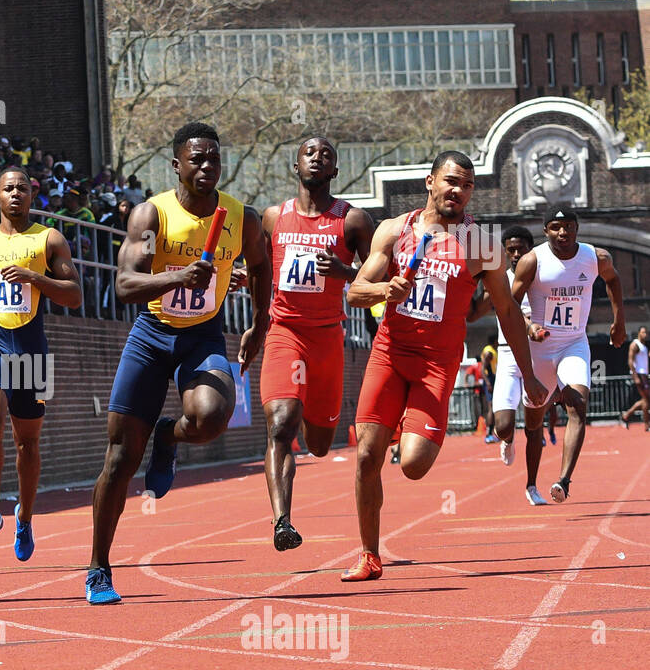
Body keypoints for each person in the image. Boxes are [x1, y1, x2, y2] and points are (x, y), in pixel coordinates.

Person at [86, 122, 270, 604]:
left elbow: (262, 264)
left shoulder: (240, 218)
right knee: (121, 459)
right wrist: (178, 277)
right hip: (151, 334)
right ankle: (99, 567)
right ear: (177, 166)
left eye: (214, 159)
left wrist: (259, 322)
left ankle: (168, 435)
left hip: (202, 334)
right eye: (197, 160)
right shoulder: (152, 215)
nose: (207, 167)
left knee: (211, 418)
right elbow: (125, 285)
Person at [341, 152, 547, 581]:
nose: (458, 191)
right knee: (365, 457)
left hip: (436, 365)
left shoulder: (481, 243)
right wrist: (385, 289)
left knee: (413, 465)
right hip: (389, 355)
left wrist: (528, 374)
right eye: (451, 181)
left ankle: (407, 429)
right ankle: (368, 555)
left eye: (467, 185)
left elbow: (507, 312)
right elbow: (354, 293)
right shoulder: (395, 230)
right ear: (430, 181)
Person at [259, 137, 374, 550]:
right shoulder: (273, 217)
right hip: (285, 332)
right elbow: (257, 269)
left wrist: (345, 270)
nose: (317, 158)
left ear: (335, 171)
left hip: (327, 337)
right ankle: (282, 522)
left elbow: (377, 276)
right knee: (280, 423)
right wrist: (253, 314)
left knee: (321, 445)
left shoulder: (353, 220)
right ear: (296, 165)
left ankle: (312, 415)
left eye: (326, 154)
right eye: (309, 152)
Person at [0, 166, 81, 560]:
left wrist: (36, 278)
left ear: (32, 197)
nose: (16, 194)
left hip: (32, 348)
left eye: (23, 189)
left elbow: (74, 295)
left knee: (27, 444)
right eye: (8, 188)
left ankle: (25, 518)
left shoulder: (49, 239)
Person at [511, 207, 625, 504]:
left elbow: (613, 280)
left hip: (574, 343)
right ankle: (531, 483)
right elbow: (509, 306)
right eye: (556, 227)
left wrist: (619, 320)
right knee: (534, 422)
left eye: (569, 227)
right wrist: (529, 326)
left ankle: (563, 480)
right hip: (540, 350)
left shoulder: (595, 257)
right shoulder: (532, 261)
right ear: (545, 230)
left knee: (578, 406)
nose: (563, 233)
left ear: (577, 228)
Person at [468, 224, 535, 468]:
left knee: (537, 419)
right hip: (508, 353)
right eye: (511, 251)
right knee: (503, 425)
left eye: (521, 250)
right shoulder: (499, 279)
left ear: (531, 249)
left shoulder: (544, 275)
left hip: (538, 352)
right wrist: (472, 279)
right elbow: (473, 315)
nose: (516, 255)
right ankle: (508, 439)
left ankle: (533, 480)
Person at [622, 325, 649, 431]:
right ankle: (647, 425)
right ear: (638, 333)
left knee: (646, 400)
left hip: (644, 375)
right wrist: (635, 376)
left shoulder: (644, 346)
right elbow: (630, 361)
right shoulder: (635, 344)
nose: (645, 334)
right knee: (647, 400)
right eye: (643, 332)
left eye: (646, 332)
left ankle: (627, 415)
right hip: (639, 375)